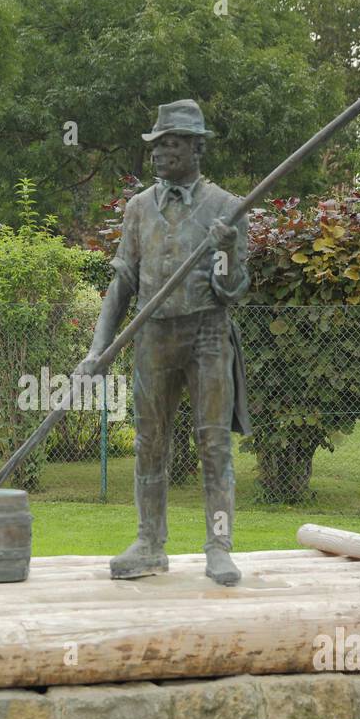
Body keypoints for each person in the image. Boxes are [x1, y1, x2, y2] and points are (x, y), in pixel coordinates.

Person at [78, 99, 252, 586]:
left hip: (208, 334)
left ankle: (219, 546)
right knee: (149, 443)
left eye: (170, 144)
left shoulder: (226, 207)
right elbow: (122, 285)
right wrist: (97, 349)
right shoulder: (138, 209)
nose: (158, 153)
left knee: (214, 445)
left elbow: (231, 290)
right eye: (155, 145)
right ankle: (149, 542)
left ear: (197, 149)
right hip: (152, 335)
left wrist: (228, 251)